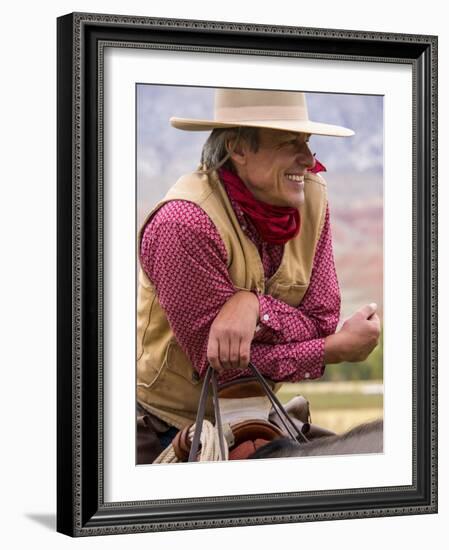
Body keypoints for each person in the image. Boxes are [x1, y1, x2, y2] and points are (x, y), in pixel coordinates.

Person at [136, 88, 381, 463]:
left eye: (307, 142)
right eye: (289, 142)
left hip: (256, 412)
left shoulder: (313, 197)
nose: (308, 159)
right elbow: (222, 364)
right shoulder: (183, 224)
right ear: (238, 148)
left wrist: (251, 306)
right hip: (162, 421)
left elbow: (321, 320)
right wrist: (332, 350)